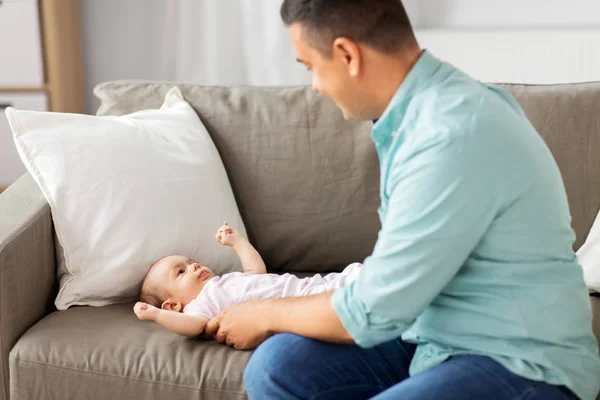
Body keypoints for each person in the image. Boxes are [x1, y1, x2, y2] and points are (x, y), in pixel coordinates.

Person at [204, 1, 600, 399]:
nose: (315, 86)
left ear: (347, 55)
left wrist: (264, 312)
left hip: (522, 361)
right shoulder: (414, 116)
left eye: (310, 67)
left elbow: (372, 310)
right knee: (277, 369)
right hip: (434, 335)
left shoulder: (449, 134)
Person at [133, 222, 362, 337]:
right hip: (302, 301)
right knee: (356, 293)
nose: (193, 265)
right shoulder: (200, 306)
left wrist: (237, 242)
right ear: (173, 305)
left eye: (190, 261)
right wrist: (158, 315)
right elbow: (194, 327)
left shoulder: (224, 281)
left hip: (312, 285)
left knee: (357, 275)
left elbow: (255, 272)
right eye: (181, 272)